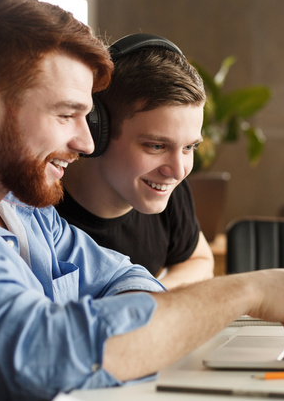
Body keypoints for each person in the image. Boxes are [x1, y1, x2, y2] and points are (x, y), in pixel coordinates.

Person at [0, 0, 284, 400]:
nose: (87, 143)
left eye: (87, 118)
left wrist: (119, 327)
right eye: (66, 114)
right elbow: (37, 353)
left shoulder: (22, 209)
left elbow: (125, 279)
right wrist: (243, 292)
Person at [56, 33, 214, 289]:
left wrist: (152, 297)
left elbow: (199, 259)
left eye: (189, 147)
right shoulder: (42, 205)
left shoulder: (166, 189)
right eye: (156, 146)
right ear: (97, 130)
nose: (177, 171)